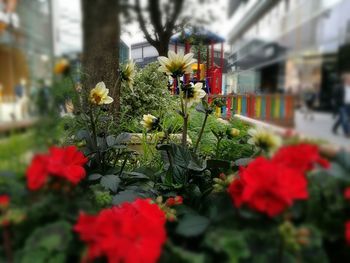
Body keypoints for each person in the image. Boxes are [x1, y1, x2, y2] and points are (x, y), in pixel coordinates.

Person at [332, 72, 350, 137]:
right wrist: (336, 105)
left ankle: (334, 128)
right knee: (345, 119)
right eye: (349, 78)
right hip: (342, 105)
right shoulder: (339, 87)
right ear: (345, 79)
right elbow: (335, 97)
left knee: (342, 118)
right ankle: (347, 133)